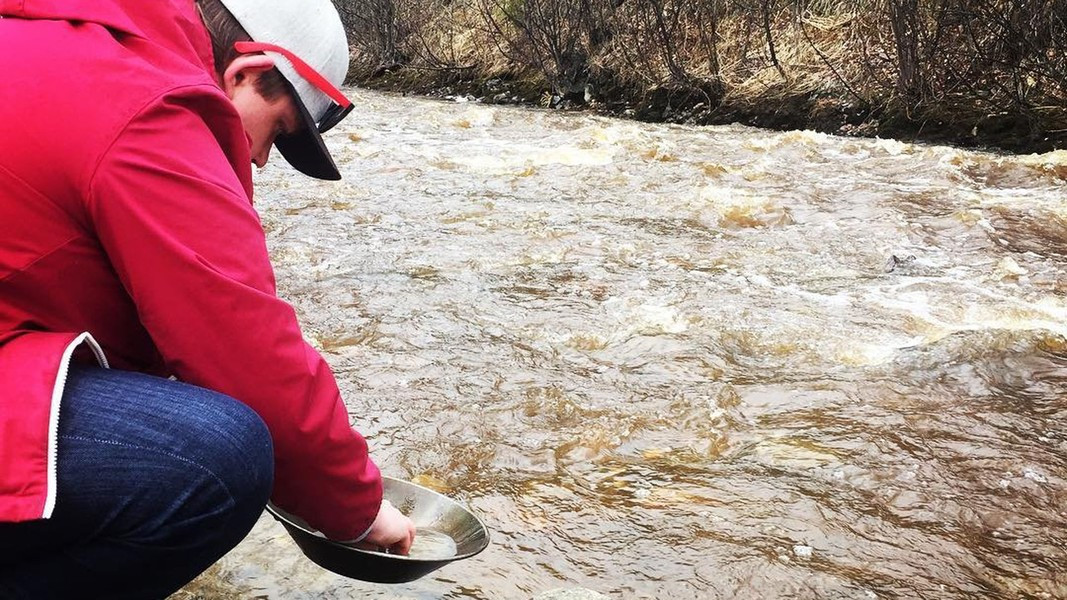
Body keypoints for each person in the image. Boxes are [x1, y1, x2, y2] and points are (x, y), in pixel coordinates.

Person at [0, 0, 415, 596]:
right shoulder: (148, 107)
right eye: (277, 130)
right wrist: (358, 507)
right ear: (246, 72)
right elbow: (247, 350)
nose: (261, 158)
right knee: (219, 458)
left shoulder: (61, 39)